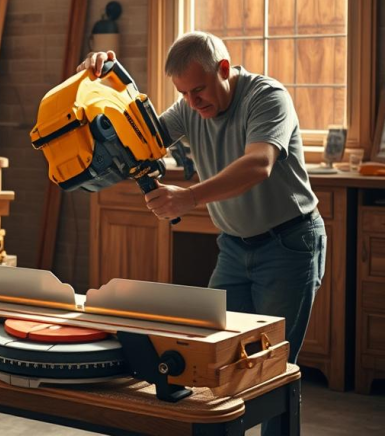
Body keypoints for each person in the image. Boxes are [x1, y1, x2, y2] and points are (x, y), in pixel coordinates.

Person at [79, 31, 325, 369]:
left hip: (288, 244)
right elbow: (139, 140)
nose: (192, 102)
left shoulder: (267, 96)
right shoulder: (188, 109)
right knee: (217, 354)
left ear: (223, 68)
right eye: (183, 93)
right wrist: (103, 84)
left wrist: (190, 197)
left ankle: (277, 425)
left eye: (199, 89)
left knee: (274, 364)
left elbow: (259, 164)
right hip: (234, 248)